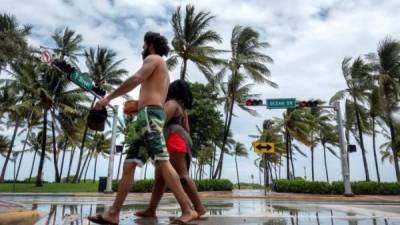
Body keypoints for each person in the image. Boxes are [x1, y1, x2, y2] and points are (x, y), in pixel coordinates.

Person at [87, 32, 198, 225]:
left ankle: (188, 210)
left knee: (163, 161)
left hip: (150, 116)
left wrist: (108, 99)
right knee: (129, 164)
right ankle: (113, 213)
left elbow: (136, 78)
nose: (143, 49)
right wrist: (138, 106)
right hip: (145, 117)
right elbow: (150, 92)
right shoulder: (161, 68)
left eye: (144, 45)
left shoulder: (154, 59)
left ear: (150, 45)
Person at [135, 80, 206, 219]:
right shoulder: (182, 108)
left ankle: (199, 208)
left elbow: (158, 121)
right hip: (177, 139)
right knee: (160, 179)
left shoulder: (172, 104)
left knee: (182, 175)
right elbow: (187, 129)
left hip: (174, 139)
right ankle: (151, 209)